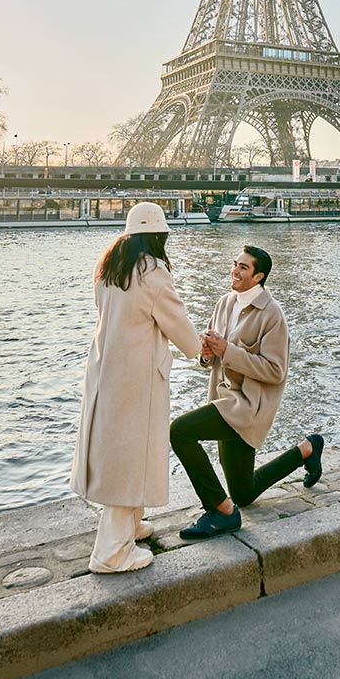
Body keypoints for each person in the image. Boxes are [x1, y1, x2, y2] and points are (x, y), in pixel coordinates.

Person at [70, 202, 201, 572]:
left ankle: (132, 524)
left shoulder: (109, 265)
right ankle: (111, 553)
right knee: (131, 455)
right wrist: (200, 353)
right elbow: (175, 320)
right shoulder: (153, 271)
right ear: (159, 236)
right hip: (137, 376)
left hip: (104, 368)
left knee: (120, 450)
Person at [170, 245, 324, 539]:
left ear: (258, 277)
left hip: (246, 405)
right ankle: (306, 449)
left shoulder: (272, 315)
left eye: (243, 267)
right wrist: (206, 354)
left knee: (179, 431)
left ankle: (220, 512)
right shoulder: (225, 303)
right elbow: (212, 358)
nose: (235, 271)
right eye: (234, 264)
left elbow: (275, 371)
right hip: (223, 398)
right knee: (243, 493)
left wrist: (228, 350)